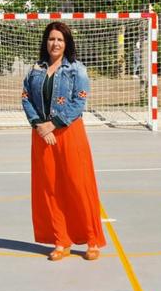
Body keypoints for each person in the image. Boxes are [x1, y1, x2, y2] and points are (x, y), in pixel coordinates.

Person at [21, 22, 106, 261]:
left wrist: (53, 124)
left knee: (79, 186)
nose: (55, 43)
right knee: (50, 188)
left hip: (68, 133)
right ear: (45, 42)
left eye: (59, 39)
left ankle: (91, 240)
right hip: (41, 136)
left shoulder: (76, 69)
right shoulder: (35, 70)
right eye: (51, 39)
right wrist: (39, 124)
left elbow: (79, 103)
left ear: (66, 43)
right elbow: (26, 98)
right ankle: (61, 240)